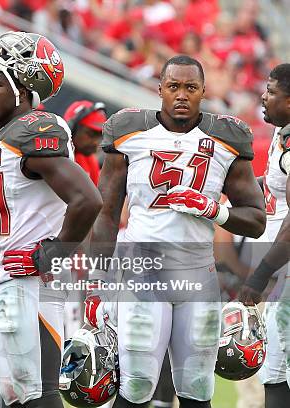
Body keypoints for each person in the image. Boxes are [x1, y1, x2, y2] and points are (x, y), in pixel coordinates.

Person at [85, 55, 266, 408]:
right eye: (173, 87)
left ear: (202, 91)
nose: (181, 95)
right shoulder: (130, 131)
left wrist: (213, 209)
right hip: (143, 275)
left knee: (197, 389)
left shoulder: (227, 139)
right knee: (135, 387)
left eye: (190, 87)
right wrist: (96, 280)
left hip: (199, 275)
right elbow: (105, 214)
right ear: (160, 90)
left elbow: (256, 221)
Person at [0, 31, 103, 407]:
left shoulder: (34, 130)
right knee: (14, 394)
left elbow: (87, 199)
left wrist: (53, 252)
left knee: (38, 395)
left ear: (24, 87)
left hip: (30, 285)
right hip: (4, 279)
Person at [238, 63, 290, 407]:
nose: (264, 96)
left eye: (272, 91)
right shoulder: (280, 132)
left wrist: (258, 277)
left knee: (276, 365)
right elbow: (273, 187)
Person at [63, 100, 107, 185]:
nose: (96, 142)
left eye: (99, 136)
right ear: (71, 128)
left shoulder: (90, 160)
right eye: (90, 134)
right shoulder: (52, 155)